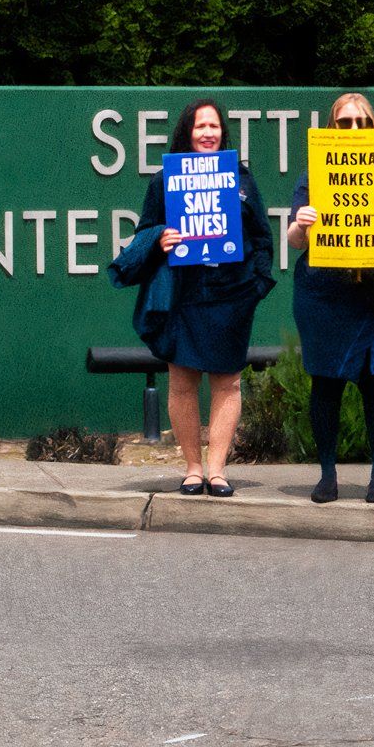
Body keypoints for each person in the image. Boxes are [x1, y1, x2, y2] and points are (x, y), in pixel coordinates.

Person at [110, 98, 274, 499]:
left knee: (228, 383)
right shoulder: (166, 181)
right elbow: (146, 230)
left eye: (214, 126)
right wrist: (160, 238)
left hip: (230, 293)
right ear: (187, 132)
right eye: (200, 126)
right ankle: (192, 468)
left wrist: (255, 286)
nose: (207, 133)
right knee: (182, 383)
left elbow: (261, 237)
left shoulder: (241, 178)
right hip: (183, 294)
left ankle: (217, 470)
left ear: (223, 133)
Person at [288, 91, 374, 505]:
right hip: (324, 295)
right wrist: (300, 223)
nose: (353, 129)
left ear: (372, 126)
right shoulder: (314, 176)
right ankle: (327, 474)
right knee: (324, 384)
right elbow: (294, 240)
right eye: (344, 122)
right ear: (333, 128)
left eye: (361, 122)